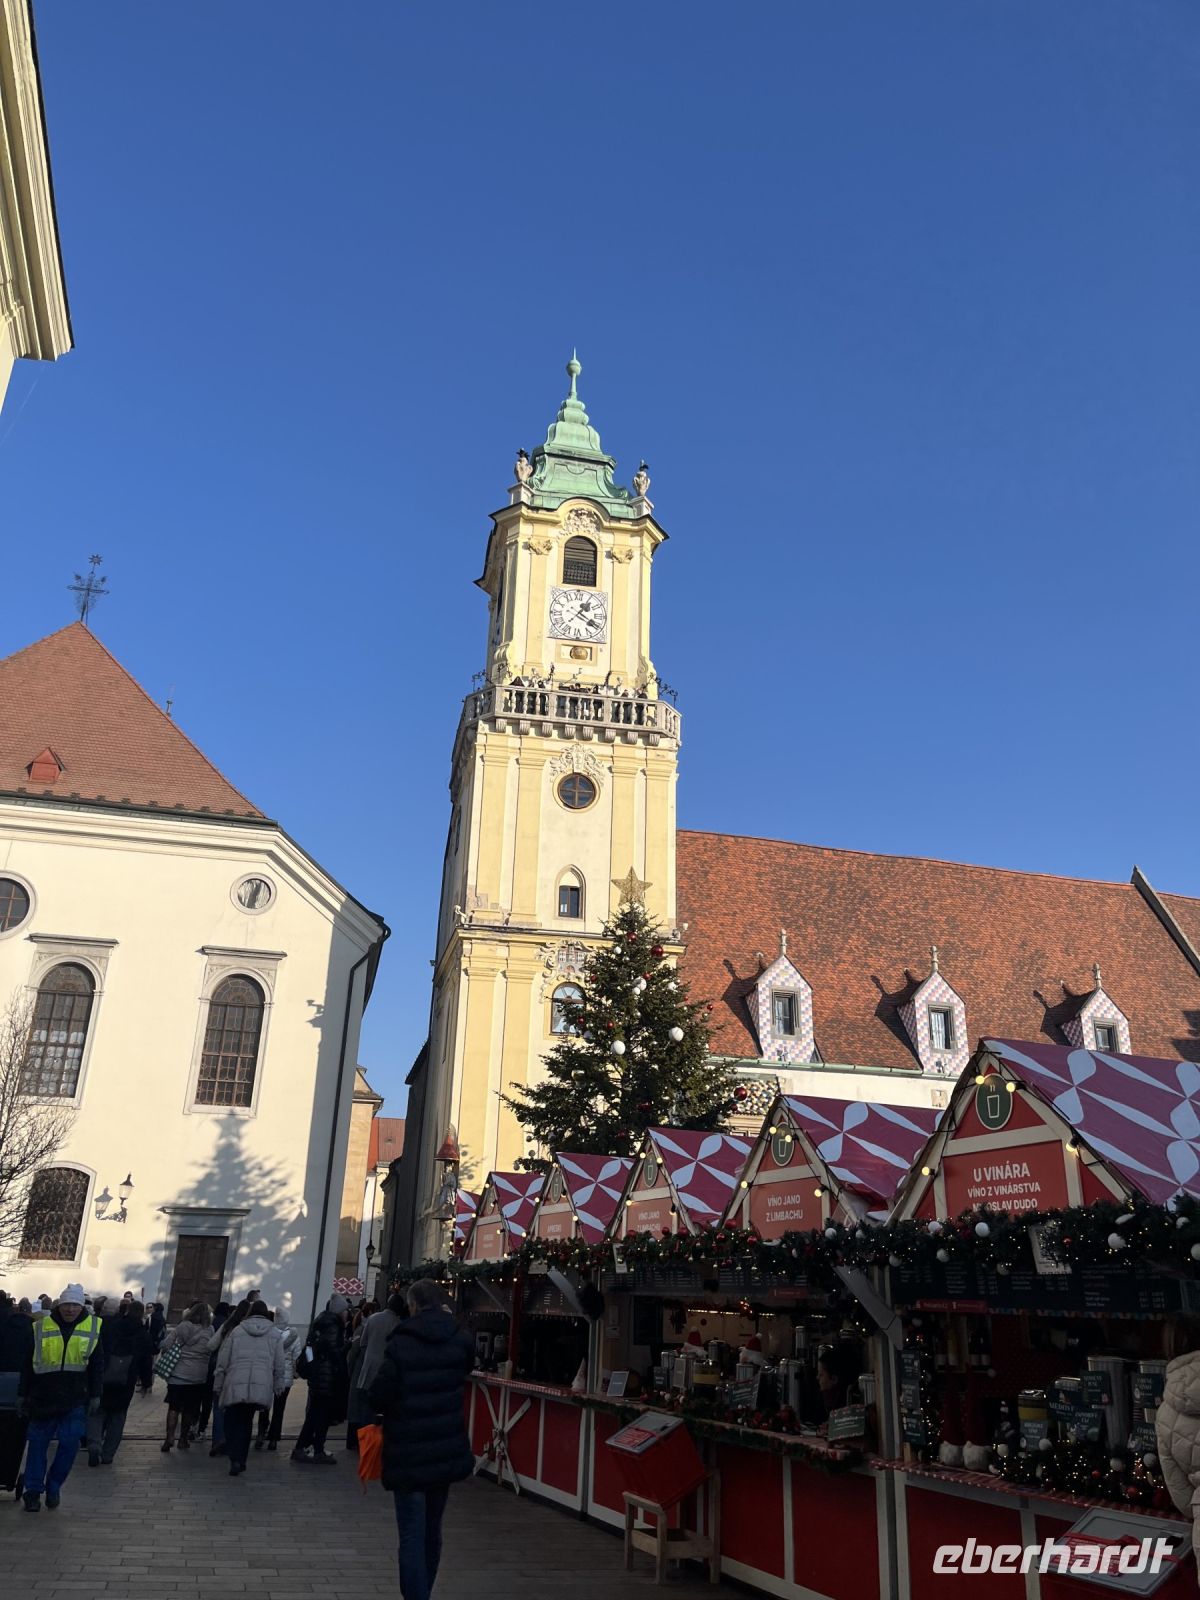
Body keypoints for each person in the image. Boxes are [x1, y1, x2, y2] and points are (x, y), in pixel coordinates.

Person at [369, 1279, 475, 1600]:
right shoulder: (461, 1340)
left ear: (413, 1305)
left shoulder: (401, 1343)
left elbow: (379, 1395)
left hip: (408, 1451)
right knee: (432, 1530)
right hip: (444, 1449)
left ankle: (417, 1596)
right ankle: (423, 1590)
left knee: (412, 1534)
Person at [18, 1283, 103, 1512]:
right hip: (42, 1396)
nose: (70, 1310)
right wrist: (22, 1393)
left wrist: (96, 1394)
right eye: (67, 1304)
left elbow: (97, 1365)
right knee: (37, 1445)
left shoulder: (93, 1327)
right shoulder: (40, 1327)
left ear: (81, 1306)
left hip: (75, 1397)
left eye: (75, 1305)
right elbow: (28, 1362)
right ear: (59, 1304)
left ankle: (54, 1485)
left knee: (69, 1444)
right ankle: (33, 1492)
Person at [213, 1301, 286, 1477]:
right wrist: (278, 1384)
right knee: (246, 1423)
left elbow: (224, 1359)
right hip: (259, 1383)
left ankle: (233, 1456)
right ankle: (241, 1459)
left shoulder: (237, 1331)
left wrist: (218, 1381)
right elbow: (279, 1363)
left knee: (231, 1420)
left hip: (236, 1380)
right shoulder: (275, 1334)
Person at [88, 1300, 154, 1466]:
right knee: (118, 1416)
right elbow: (146, 1361)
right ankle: (108, 1454)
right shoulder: (142, 1333)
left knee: (98, 1412)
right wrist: (147, 1382)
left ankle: (94, 1443)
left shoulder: (112, 1326)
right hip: (126, 1380)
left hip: (105, 1374)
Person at [292, 1293, 349, 1464]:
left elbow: (311, 1350)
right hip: (327, 1377)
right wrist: (347, 1346)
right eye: (345, 1310)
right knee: (321, 1416)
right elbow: (334, 1353)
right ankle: (315, 1449)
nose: (347, 1314)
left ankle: (305, 1447)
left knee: (315, 1414)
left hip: (318, 1377)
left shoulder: (320, 1323)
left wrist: (313, 1367)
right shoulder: (333, 1326)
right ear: (340, 1311)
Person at [347, 1292, 405, 1448]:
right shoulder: (397, 1324)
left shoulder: (372, 1319)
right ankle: (373, 1444)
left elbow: (362, 1344)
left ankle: (362, 1441)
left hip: (367, 1370)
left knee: (364, 1408)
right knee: (379, 1411)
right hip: (384, 1373)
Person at [159, 1302, 212, 1450]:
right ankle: (183, 1439)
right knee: (189, 1409)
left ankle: (169, 1437)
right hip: (197, 1376)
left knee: (174, 1407)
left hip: (177, 1374)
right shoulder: (209, 1330)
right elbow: (211, 1348)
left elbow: (165, 1345)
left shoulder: (182, 1326)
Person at [0, 1291, 34, 1492]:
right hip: (19, 1381)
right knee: (13, 1432)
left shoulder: (5, 1326)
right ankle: (8, 1475)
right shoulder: (32, 1329)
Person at [256, 1311, 299, 1451]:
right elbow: (296, 1356)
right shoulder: (293, 1335)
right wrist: (295, 1372)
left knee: (264, 1406)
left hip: (269, 1373)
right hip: (285, 1375)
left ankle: (260, 1434)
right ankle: (274, 1438)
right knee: (279, 1408)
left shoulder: (269, 1333)